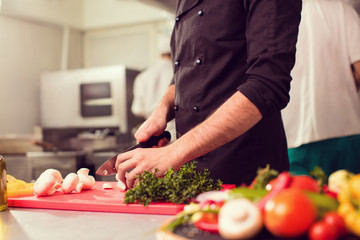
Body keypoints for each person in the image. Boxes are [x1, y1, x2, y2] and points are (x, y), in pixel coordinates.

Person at [116, 0, 302, 189]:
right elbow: (183, 74)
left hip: (247, 176)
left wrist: (173, 152)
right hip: (191, 175)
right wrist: (162, 111)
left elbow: (266, 85)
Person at [281, 0, 360, 177]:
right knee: (349, 198)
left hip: (293, 136)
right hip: (345, 131)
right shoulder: (343, 11)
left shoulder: (278, 17)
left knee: (300, 201)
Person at [131, 34, 176, 139]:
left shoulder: (144, 75)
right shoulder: (178, 72)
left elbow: (137, 109)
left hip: (152, 133)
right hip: (179, 133)